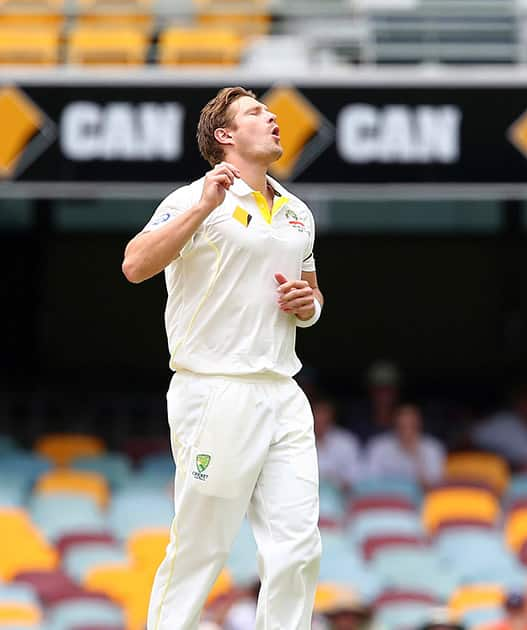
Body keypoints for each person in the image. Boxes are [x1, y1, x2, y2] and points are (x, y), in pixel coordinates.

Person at [122, 86, 323, 629]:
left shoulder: (297, 211)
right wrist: (205, 207)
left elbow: (310, 292)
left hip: (282, 390)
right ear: (225, 136)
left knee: (298, 549)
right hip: (214, 389)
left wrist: (309, 306)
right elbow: (135, 265)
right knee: (201, 548)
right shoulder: (193, 197)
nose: (273, 116)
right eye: (256, 113)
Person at [362, 403, 445, 488]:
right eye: (402, 426)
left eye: (412, 426)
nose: (407, 431)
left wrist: (417, 456)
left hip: (420, 498)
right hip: (384, 496)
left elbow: (434, 488)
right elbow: (369, 482)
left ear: (420, 424)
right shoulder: (378, 445)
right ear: (394, 424)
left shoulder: (432, 448)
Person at [313, 398, 362, 490]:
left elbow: (356, 478)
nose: (319, 419)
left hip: (341, 498)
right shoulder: (297, 441)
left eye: (323, 415)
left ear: (331, 417)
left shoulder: (347, 442)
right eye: (316, 414)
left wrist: (334, 482)